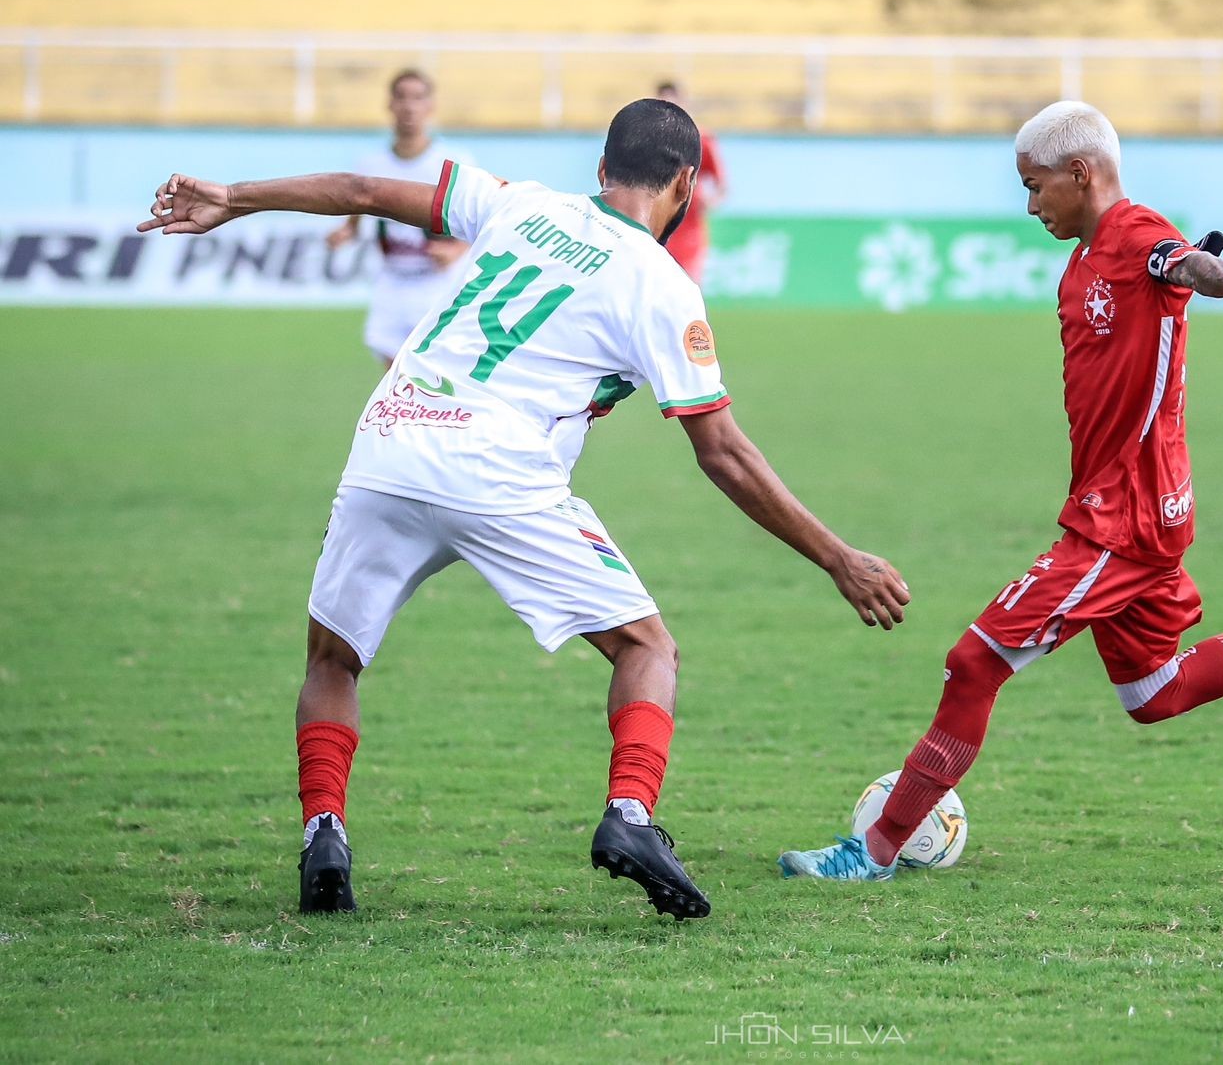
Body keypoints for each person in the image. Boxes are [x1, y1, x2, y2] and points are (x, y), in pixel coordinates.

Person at [140, 99, 911, 920]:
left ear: (602, 166)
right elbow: (721, 451)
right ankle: (630, 817)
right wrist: (837, 556)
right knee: (647, 649)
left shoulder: (519, 202)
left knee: (333, 659)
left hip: (391, 440)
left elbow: (365, 186)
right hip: (499, 470)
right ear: (685, 181)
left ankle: (323, 833)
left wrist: (235, 197)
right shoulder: (663, 285)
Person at [777, 101, 1223, 883]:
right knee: (1156, 691)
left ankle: (871, 850)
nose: (1030, 204)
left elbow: (1185, 265)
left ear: (1081, 173)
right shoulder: (1081, 263)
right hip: (1140, 511)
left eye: (1035, 185)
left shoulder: (1137, 235)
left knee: (974, 665)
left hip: (1123, 524)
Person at [325, 69, 474, 367]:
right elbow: (356, 214)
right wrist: (345, 233)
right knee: (392, 373)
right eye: (401, 97)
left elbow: (480, 222)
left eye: (418, 98)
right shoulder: (371, 165)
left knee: (434, 373)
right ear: (390, 104)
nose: (409, 106)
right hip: (391, 282)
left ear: (430, 106)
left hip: (439, 284)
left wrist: (456, 250)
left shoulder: (453, 164)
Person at [654, 82, 726, 283]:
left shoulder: (700, 140)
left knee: (688, 290)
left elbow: (721, 185)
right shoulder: (650, 141)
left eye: (672, 101)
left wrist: (710, 201)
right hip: (656, 226)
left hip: (689, 231)